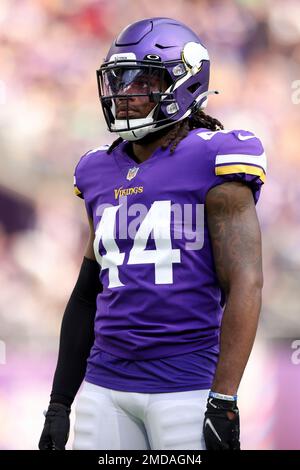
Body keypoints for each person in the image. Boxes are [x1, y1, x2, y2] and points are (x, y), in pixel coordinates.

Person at [39, 17, 266, 450]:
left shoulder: (214, 156)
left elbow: (246, 284)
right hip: (104, 386)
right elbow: (88, 292)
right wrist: (59, 403)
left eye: (142, 80)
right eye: (119, 81)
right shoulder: (97, 169)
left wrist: (224, 399)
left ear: (184, 83)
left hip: (186, 385)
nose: (125, 95)